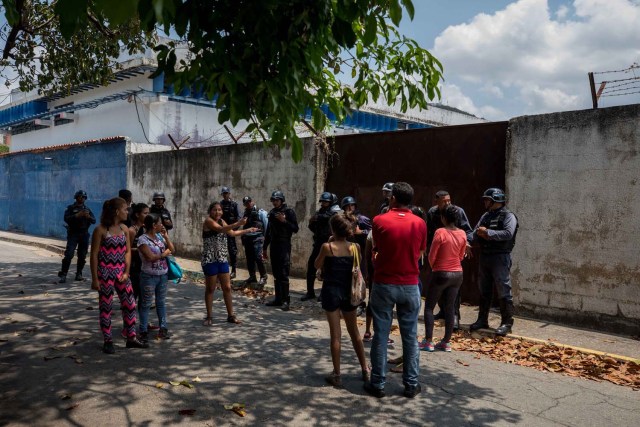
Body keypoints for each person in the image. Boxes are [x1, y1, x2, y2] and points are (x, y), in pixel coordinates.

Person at [365, 182, 426, 399]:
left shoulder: (379, 220)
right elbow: (420, 251)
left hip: (384, 283)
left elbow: (377, 249)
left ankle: (378, 383)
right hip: (410, 284)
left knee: (381, 334)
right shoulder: (420, 223)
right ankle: (411, 384)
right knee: (410, 336)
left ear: (392, 199)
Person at [315, 214, 369, 387]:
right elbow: (358, 265)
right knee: (354, 332)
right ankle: (365, 369)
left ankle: (337, 374)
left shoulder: (327, 247)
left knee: (335, 335)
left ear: (332, 229)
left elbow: (317, 265)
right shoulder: (355, 247)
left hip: (331, 292)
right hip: (349, 292)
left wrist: (330, 241)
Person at [90, 197, 148, 354]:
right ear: (116, 211)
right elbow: (94, 255)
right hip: (105, 273)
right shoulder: (101, 230)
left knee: (130, 304)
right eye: (125, 209)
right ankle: (108, 340)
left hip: (122, 273)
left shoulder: (124, 229)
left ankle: (131, 338)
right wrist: (95, 279)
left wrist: (126, 272)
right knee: (106, 306)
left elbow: (128, 252)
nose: (127, 212)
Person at [469, 188, 519, 336]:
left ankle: (507, 323)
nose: (485, 202)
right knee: (484, 288)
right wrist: (466, 240)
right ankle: (482, 319)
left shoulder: (508, 216)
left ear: (495, 200)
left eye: (487, 199)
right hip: (485, 256)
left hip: (500, 257)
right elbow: (475, 232)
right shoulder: (486, 216)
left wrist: (488, 233)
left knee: (503, 288)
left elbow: (508, 233)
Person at [202, 202, 257, 325]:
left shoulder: (222, 221)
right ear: (210, 211)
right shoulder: (208, 221)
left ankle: (231, 315)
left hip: (222, 259)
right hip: (210, 259)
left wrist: (247, 229)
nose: (218, 212)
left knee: (227, 287)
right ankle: (209, 316)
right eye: (215, 210)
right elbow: (220, 230)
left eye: (219, 210)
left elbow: (232, 233)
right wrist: (238, 223)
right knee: (210, 288)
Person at [421, 205, 467, 352]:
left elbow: (432, 254)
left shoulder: (440, 232)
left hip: (441, 272)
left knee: (429, 307)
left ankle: (428, 341)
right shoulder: (462, 233)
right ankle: (446, 341)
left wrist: (435, 268)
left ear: (443, 218)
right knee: (450, 307)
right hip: (457, 274)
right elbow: (461, 255)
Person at [425, 190, 473, 329]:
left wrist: (466, 242)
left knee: (453, 290)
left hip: (452, 254)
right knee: (439, 286)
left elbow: (468, 231)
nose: (447, 203)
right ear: (436, 201)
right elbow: (429, 232)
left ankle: (455, 316)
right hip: (437, 253)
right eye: (444, 201)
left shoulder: (457, 211)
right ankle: (443, 311)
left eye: (449, 200)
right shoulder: (432, 212)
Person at [137, 213, 175, 341]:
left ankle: (163, 328)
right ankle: (143, 330)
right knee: (146, 303)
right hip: (148, 276)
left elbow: (172, 249)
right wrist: (164, 254)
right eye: (160, 223)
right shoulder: (143, 240)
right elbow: (150, 257)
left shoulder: (159, 237)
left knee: (161, 302)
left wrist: (166, 237)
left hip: (162, 275)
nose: (162, 225)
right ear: (154, 225)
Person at [263, 190, 299, 311]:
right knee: (276, 272)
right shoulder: (272, 213)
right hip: (274, 244)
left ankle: (285, 301)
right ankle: (278, 299)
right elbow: (268, 231)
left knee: (284, 272)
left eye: (277, 200)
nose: (275, 202)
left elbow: (295, 228)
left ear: (282, 200)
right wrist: (264, 247)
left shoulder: (289, 212)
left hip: (284, 244)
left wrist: (284, 221)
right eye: (273, 200)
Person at [302, 192, 338, 301]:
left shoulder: (333, 213)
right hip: (318, 243)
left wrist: (317, 218)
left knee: (327, 269)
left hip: (328, 244)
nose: (323, 204)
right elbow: (313, 227)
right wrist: (312, 222)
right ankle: (310, 292)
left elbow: (329, 217)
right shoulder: (319, 213)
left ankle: (324, 294)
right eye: (322, 201)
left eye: (326, 202)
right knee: (312, 266)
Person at [58, 190, 96, 283]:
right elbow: (66, 219)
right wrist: (77, 215)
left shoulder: (87, 209)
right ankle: (63, 274)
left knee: (82, 255)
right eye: (81, 197)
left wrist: (88, 217)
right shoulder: (70, 208)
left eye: (84, 197)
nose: (82, 199)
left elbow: (94, 220)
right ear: (76, 197)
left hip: (84, 234)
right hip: (73, 234)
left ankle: (79, 274)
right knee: (69, 254)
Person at [240, 196, 269, 287]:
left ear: (252, 201)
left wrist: (265, 239)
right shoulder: (245, 213)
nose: (248, 204)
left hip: (258, 238)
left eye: (249, 202)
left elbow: (266, 226)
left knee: (258, 257)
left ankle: (263, 276)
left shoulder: (261, 212)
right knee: (249, 259)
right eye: (246, 203)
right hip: (247, 239)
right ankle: (252, 276)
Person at [128, 202, 149, 305]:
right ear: (137, 215)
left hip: (145, 266)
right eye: (145, 213)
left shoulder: (146, 229)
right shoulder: (132, 231)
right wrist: (139, 250)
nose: (147, 216)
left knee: (144, 297)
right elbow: (126, 250)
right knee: (133, 294)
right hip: (134, 267)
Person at [220, 186, 242, 279]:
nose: (225, 195)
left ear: (229, 194)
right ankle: (221, 270)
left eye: (226, 193)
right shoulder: (220, 204)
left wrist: (234, 230)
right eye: (223, 194)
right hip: (222, 231)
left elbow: (239, 218)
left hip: (231, 231)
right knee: (221, 251)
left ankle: (233, 270)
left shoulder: (234, 204)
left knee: (232, 251)